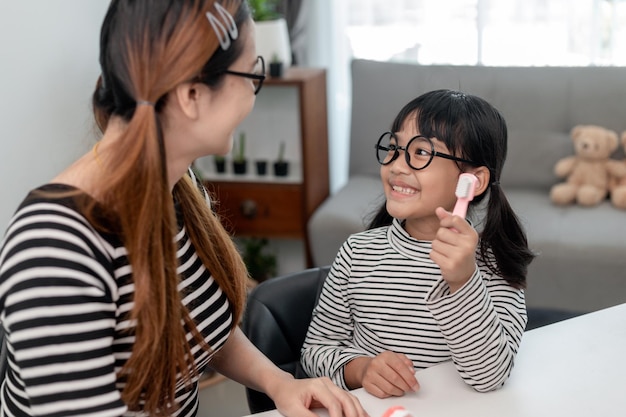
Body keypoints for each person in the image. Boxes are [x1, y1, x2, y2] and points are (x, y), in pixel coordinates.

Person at [0, 1, 369, 416]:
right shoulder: (55, 244)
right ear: (192, 96)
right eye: (251, 75)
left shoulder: (178, 187)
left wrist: (279, 382)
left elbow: (199, 326)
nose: (252, 92)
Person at [300, 89, 536, 399]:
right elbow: (314, 352)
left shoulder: (495, 266)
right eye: (394, 148)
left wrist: (463, 281)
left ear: (472, 181)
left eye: (421, 152)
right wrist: (362, 369)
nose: (397, 165)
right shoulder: (357, 253)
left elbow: (490, 376)